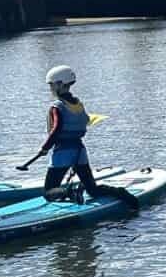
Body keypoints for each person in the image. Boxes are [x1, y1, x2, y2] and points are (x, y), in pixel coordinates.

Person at [18, 65, 140, 210]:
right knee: (93, 189)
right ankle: (121, 193)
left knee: (49, 192)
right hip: (80, 152)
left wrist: (45, 148)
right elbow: (85, 120)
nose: (50, 88)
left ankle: (71, 192)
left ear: (60, 84)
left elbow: (56, 129)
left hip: (63, 153)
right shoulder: (78, 104)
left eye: (51, 85)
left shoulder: (56, 107)